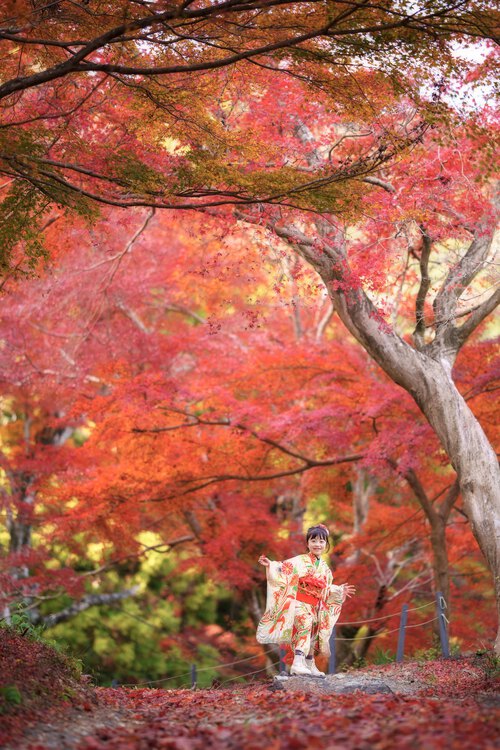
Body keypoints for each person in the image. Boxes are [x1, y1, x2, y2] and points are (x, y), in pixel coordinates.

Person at [256, 524, 355, 677]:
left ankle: (310, 663)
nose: (317, 544)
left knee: (315, 631)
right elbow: (283, 569)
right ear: (308, 543)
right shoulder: (299, 561)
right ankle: (297, 663)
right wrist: (271, 565)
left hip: (315, 605)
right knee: (305, 624)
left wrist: (339, 590)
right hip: (299, 602)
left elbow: (326, 588)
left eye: (321, 541)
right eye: (313, 540)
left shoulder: (325, 568)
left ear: (326, 544)